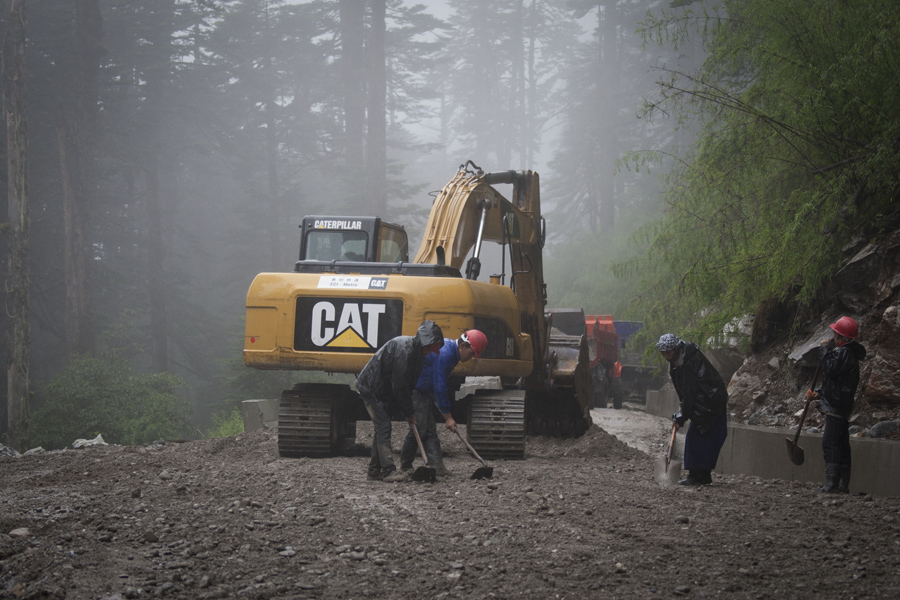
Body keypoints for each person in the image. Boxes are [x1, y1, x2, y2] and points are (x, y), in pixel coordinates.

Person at [355, 320, 444, 482]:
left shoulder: (418, 356)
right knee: (384, 426)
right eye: (431, 347)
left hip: (383, 391)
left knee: (382, 428)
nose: (431, 351)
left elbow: (408, 386)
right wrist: (408, 413)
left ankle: (374, 471)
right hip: (371, 388)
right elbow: (400, 386)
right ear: (425, 342)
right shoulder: (405, 351)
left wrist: (408, 411)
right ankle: (388, 471)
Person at [399, 330, 488, 477]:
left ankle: (437, 467)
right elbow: (440, 386)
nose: (470, 358)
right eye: (471, 354)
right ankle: (405, 466)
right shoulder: (447, 354)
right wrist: (448, 417)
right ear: (463, 346)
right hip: (415, 390)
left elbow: (436, 381)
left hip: (423, 390)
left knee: (430, 431)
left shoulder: (451, 352)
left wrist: (437, 401)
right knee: (419, 428)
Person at [657, 333, 729, 486]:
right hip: (708, 400)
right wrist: (682, 411)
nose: (665, 355)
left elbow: (690, 392)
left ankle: (697, 476)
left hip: (710, 402)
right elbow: (686, 393)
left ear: (675, 349)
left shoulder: (688, 362)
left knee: (697, 438)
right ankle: (700, 475)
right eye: (663, 352)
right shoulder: (680, 359)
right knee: (699, 438)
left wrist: (680, 417)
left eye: (668, 352)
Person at [814, 316, 866, 493]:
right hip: (842, 405)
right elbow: (836, 378)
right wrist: (820, 392)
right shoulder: (849, 354)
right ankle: (843, 485)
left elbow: (829, 368)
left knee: (830, 443)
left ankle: (832, 483)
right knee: (842, 444)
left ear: (839, 336)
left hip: (836, 406)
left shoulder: (843, 353)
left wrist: (823, 350)